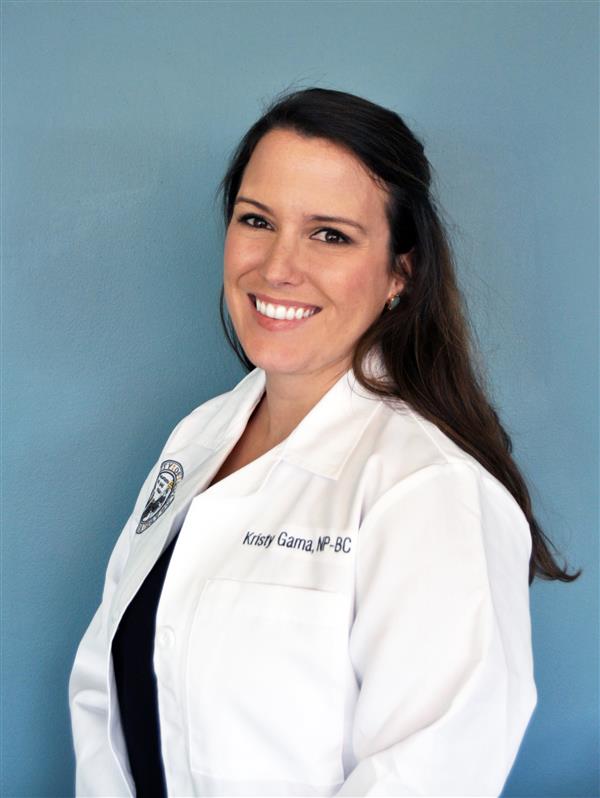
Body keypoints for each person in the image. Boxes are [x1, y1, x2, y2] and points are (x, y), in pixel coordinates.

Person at [68, 86, 581, 797]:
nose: (277, 268)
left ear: (401, 273)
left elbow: (430, 774)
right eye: (256, 220)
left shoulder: (428, 488)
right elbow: (104, 697)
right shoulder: (198, 437)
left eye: (330, 234)